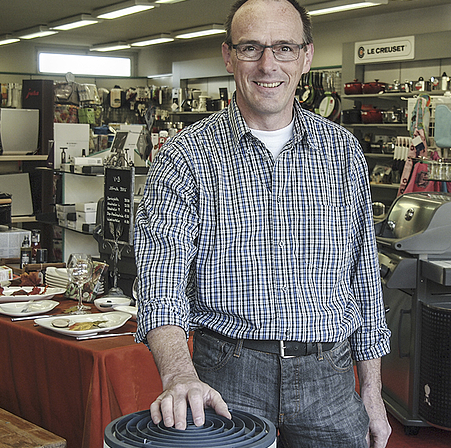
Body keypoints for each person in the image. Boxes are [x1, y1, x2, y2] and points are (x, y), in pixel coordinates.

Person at [134, 0, 391, 446]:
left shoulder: (342, 151)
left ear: (306, 57)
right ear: (228, 56)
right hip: (227, 378)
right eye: (251, 47)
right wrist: (179, 375)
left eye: (284, 48)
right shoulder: (184, 157)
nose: (268, 64)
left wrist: (372, 388)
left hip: (329, 377)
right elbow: (161, 282)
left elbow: (364, 277)